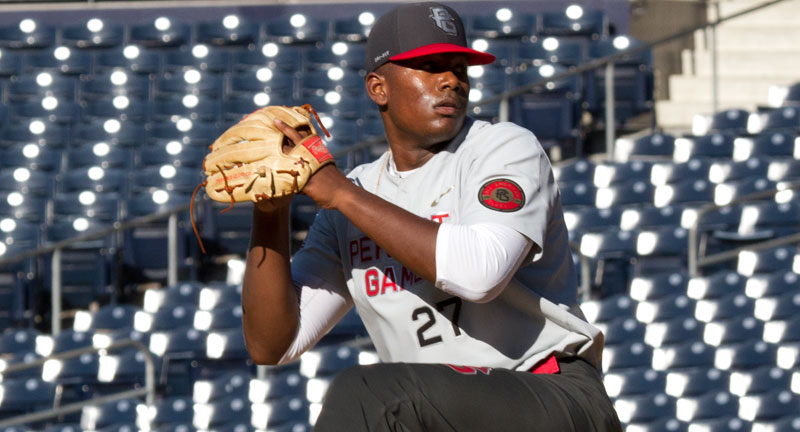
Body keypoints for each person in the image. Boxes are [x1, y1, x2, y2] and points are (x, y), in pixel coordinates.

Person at [241, 2, 622, 430]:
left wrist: (341, 194)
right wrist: (270, 212)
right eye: (429, 66)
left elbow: (480, 274)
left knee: (367, 394)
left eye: (460, 67)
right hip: (443, 416)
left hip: (551, 393)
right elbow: (273, 344)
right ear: (377, 88)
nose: (451, 81)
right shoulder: (356, 196)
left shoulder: (502, 148)